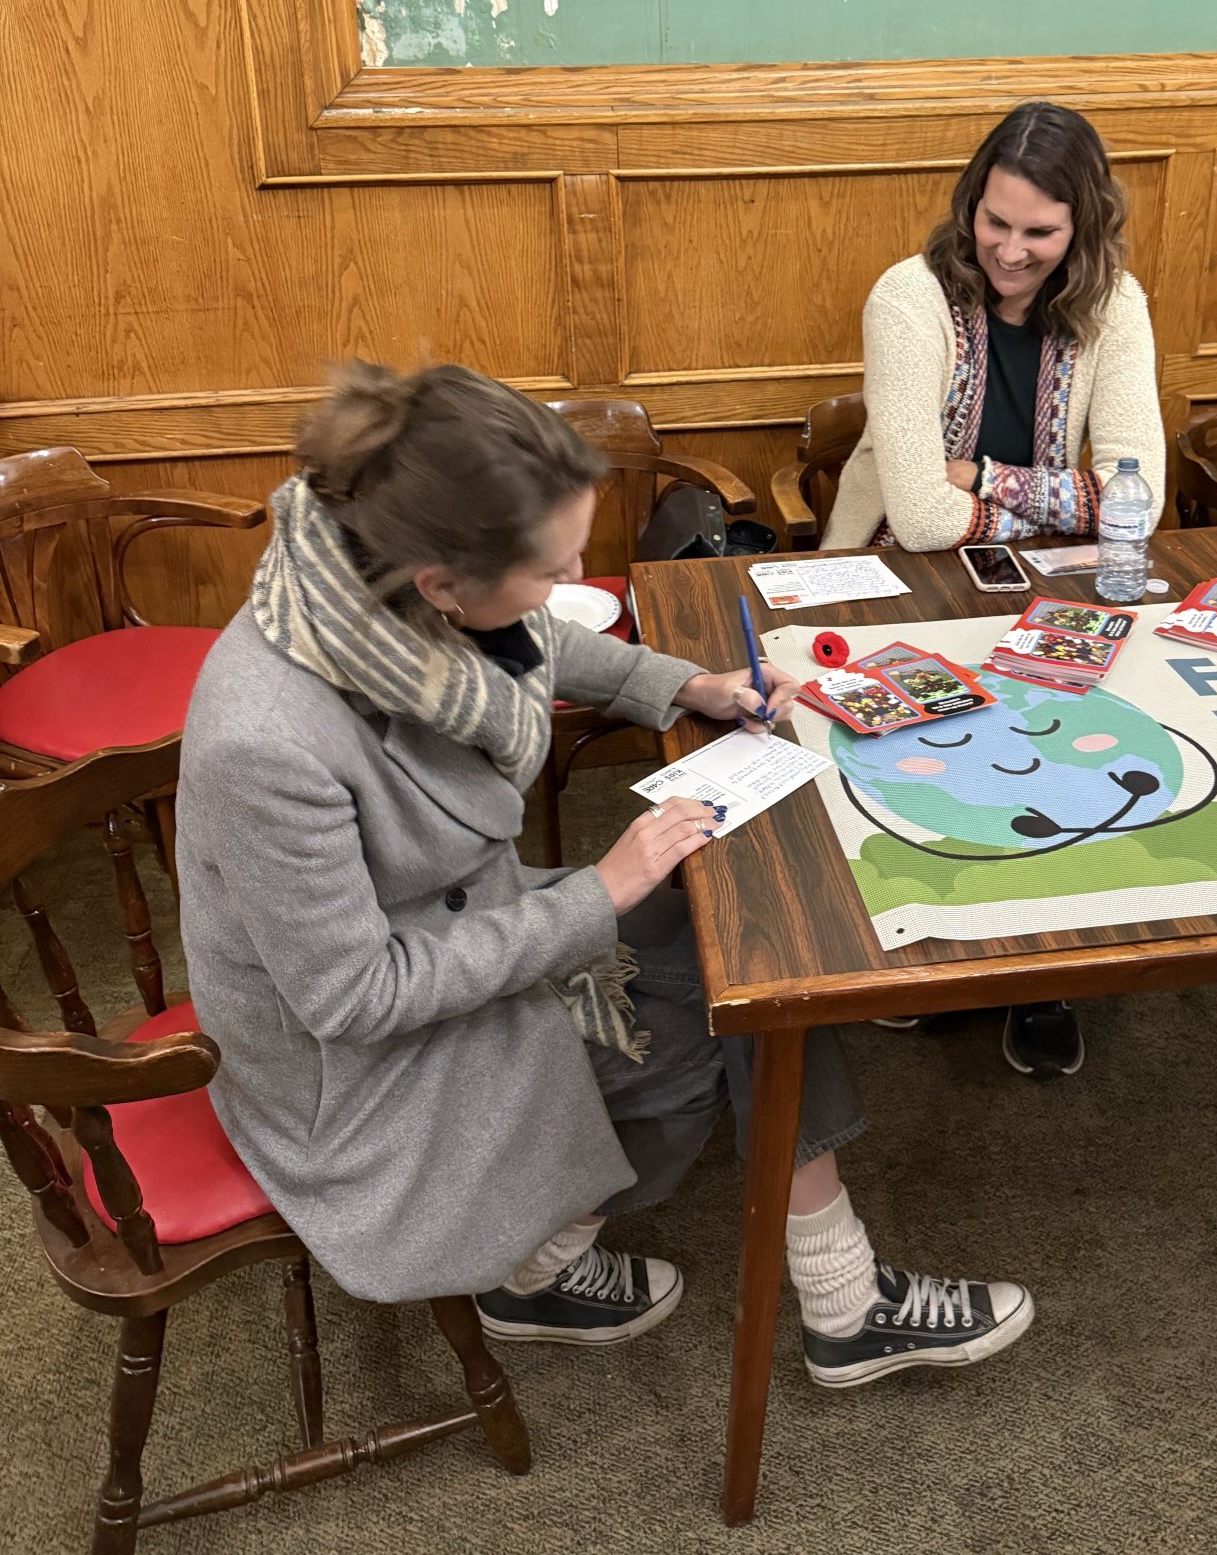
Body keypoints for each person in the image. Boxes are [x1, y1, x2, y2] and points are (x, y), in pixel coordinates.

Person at [176, 362, 1033, 1390]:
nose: (573, 575)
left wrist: (692, 685)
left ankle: (833, 1293)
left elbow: (536, 638)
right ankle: (539, 1268)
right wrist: (603, 889)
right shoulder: (266, 741)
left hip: (451, 932)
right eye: (550, 567)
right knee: (708, 1031)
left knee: (749, 963)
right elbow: (353, 998)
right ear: (442, 587)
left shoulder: (370, 582)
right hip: (355, 1069)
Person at [825, 101, 1163, 1079]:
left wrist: (982, 476)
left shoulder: (1116, 302)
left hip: (1037, 578)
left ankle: (1041, 967)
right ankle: (924, 929)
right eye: (995, 221)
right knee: (921, 750)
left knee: (1062, 739)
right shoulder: (909, 297)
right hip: (892, 568)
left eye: (1040, 232)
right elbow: (922, 519)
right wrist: (1068, 504)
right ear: (971, 204)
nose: (1011, 251)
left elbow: (1141, 494)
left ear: (1083, 228)